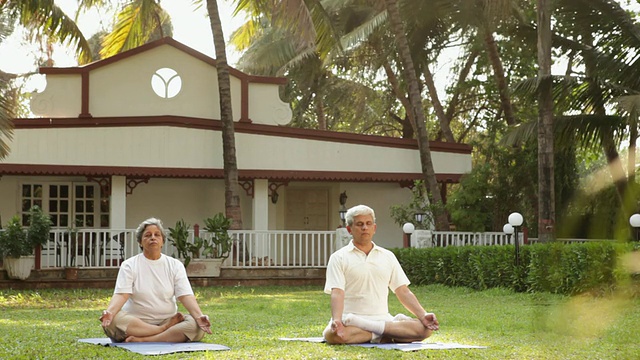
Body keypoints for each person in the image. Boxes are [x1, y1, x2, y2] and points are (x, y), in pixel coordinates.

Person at [323, 205, 439, 344]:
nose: (364, 228)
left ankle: (376, 330)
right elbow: (337, 292)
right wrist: (337, 320)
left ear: (374, 228)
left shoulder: (387, 256)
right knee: (333, 335)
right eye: (359, 224)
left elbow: (402, 291)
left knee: (425, 329)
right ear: (349, 229)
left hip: (382, 319)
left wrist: (423, 314)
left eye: (368, 223)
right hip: (349, 320)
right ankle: (387, 334)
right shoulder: (339, 257)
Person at [99, 217, 212, 343]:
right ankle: (163, 331)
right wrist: (110, 312)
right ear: (140, 242)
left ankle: (145, 339)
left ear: (162, 241)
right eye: (148, 235)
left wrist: (199, 316)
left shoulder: (175, 265)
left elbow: (185, 295)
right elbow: (122, 294)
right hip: (136, 322)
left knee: (196, 326)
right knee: (113, 322)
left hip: (168, 319)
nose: (153, 238)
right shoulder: (129, 265)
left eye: (157, 235)